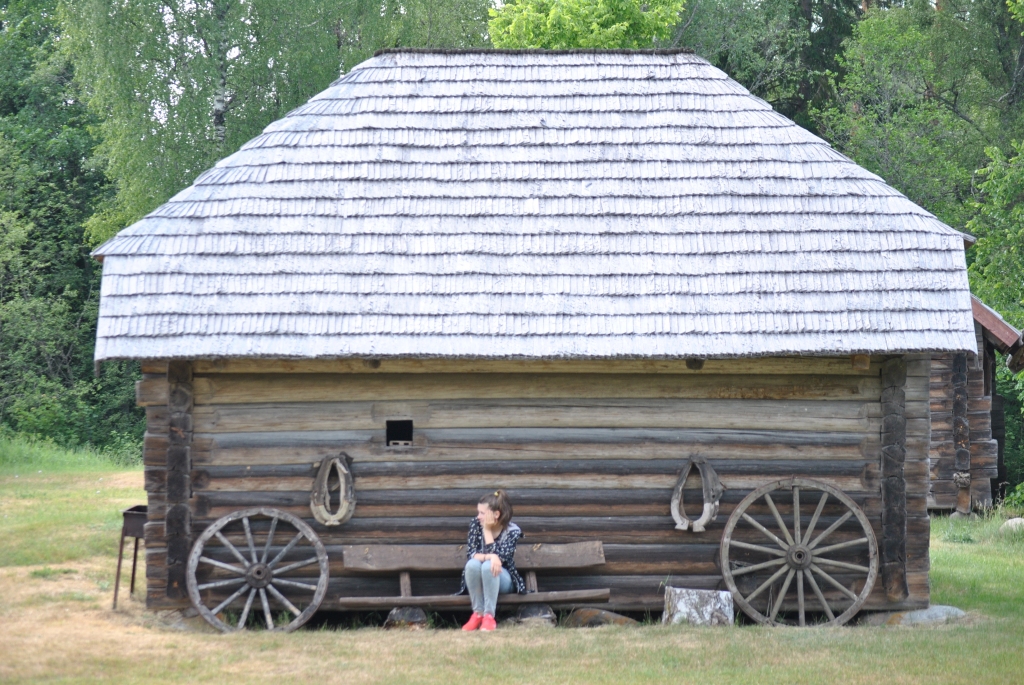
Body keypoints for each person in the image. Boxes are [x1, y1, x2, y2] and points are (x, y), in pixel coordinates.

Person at [460, 489, 526, 631]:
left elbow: (499, 560)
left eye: (482, 513)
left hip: (503, 579)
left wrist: (487, 530)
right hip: (479, 576)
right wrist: (490, 556)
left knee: (488, 566)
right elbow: (471, 554)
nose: (478, 517)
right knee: (472, 564)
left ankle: (489, 616)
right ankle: (478, 614)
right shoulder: (475, 524)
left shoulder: (513, 531)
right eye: (478, 512)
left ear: (496, 514)